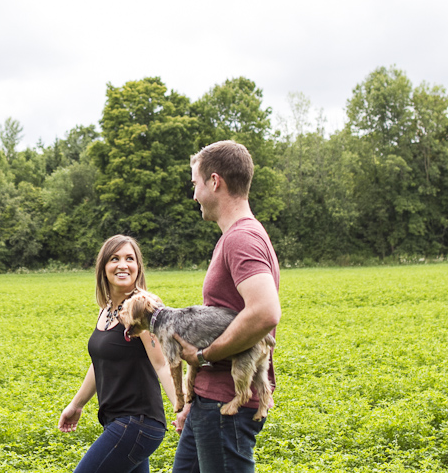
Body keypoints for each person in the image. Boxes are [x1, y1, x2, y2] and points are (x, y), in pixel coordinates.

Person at [172, 140, 282, 473]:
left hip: (225, 405)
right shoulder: (238, 235)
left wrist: (206, 356)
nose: (194, 196)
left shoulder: (241, 238)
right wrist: (197, 397)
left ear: (215, 181)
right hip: (210, 401)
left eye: (195, 184)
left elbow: (265, 312)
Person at [58, 234, 179, 473]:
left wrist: (183, 408)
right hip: (118, 422)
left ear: (138, 267)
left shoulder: (143, 307)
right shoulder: (106, 311)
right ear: (103, 267)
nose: (122, 265)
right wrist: (76, 405)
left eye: (129, 259)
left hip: (137, 422)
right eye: (114, 258)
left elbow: (163, 363)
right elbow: (101, 362)